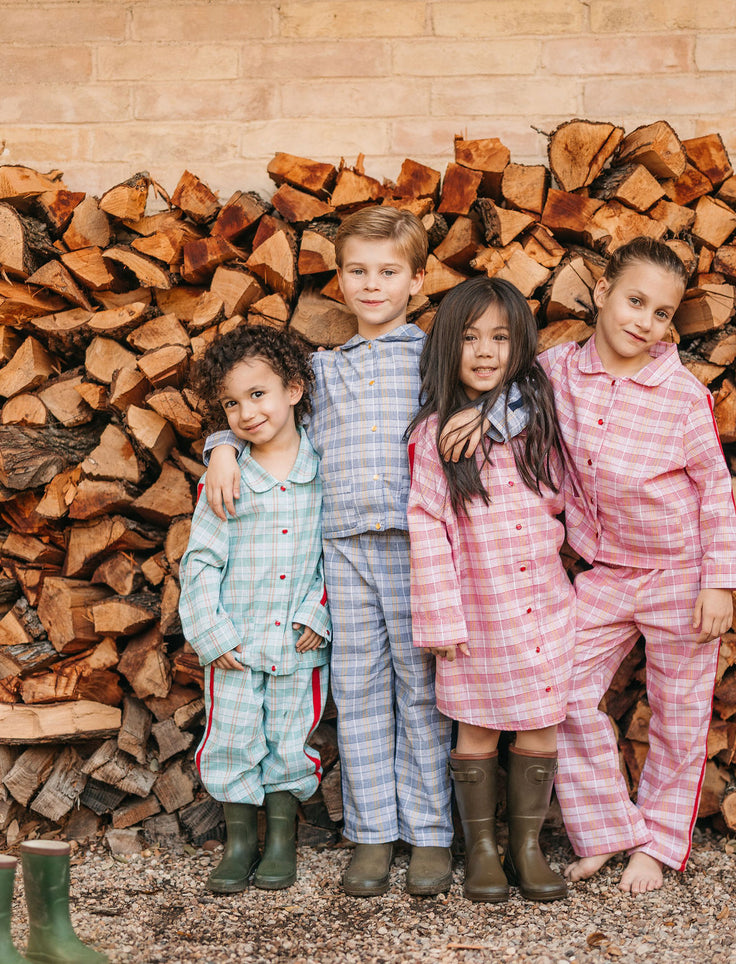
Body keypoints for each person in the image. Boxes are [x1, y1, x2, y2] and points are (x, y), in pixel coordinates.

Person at [201, 206, 525, 897]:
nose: (371, 284)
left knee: (421, 692)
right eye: (357, 271)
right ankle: (373, 835)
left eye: (387, 272)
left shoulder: (435, 357)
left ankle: (432, 837)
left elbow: (521, 398)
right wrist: (221, 446)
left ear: (414, 280)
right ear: (338, 281)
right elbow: (265, 420)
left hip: (420, 551)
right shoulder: (321, 370)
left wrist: (484, 413)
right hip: (341, 550)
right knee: (358, 691)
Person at [543, 237, 736, 894]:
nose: (645, 321)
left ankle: (656, 844)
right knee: (557, 689)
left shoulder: (680, 394)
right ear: (601, 294)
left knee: (678, 712)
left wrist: (718, 580)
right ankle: (607, 828)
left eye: (661, 313)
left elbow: (712, 487)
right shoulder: (555, 371)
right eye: (634, 301)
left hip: (678, 575)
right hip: (603, 573)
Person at [406, 276, 573, 904]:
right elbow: (428, 528)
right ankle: (480, 849)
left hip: (541, 605)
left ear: (519, 344)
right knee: (475, 727)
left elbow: (563, 492)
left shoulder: (538, 419)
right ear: (448, 346)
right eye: (470, 337)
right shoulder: (435, 436)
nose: (484, 351)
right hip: (474, 611)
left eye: (500, 338)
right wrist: (442, 619)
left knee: (537, 727)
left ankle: (526, 847)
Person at [180, 325, 331, 894]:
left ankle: (281, 841)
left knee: (290, 741)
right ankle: (240, 840)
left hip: (297, 644)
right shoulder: (228, 477)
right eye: (231, 403)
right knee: (233, 738)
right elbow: (199, 562)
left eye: (258, 394)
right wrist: (212, 635)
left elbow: (337, 556)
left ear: (294, 388)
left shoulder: (325, 469)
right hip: (237, 644)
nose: (245, 412)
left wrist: (319, 613)